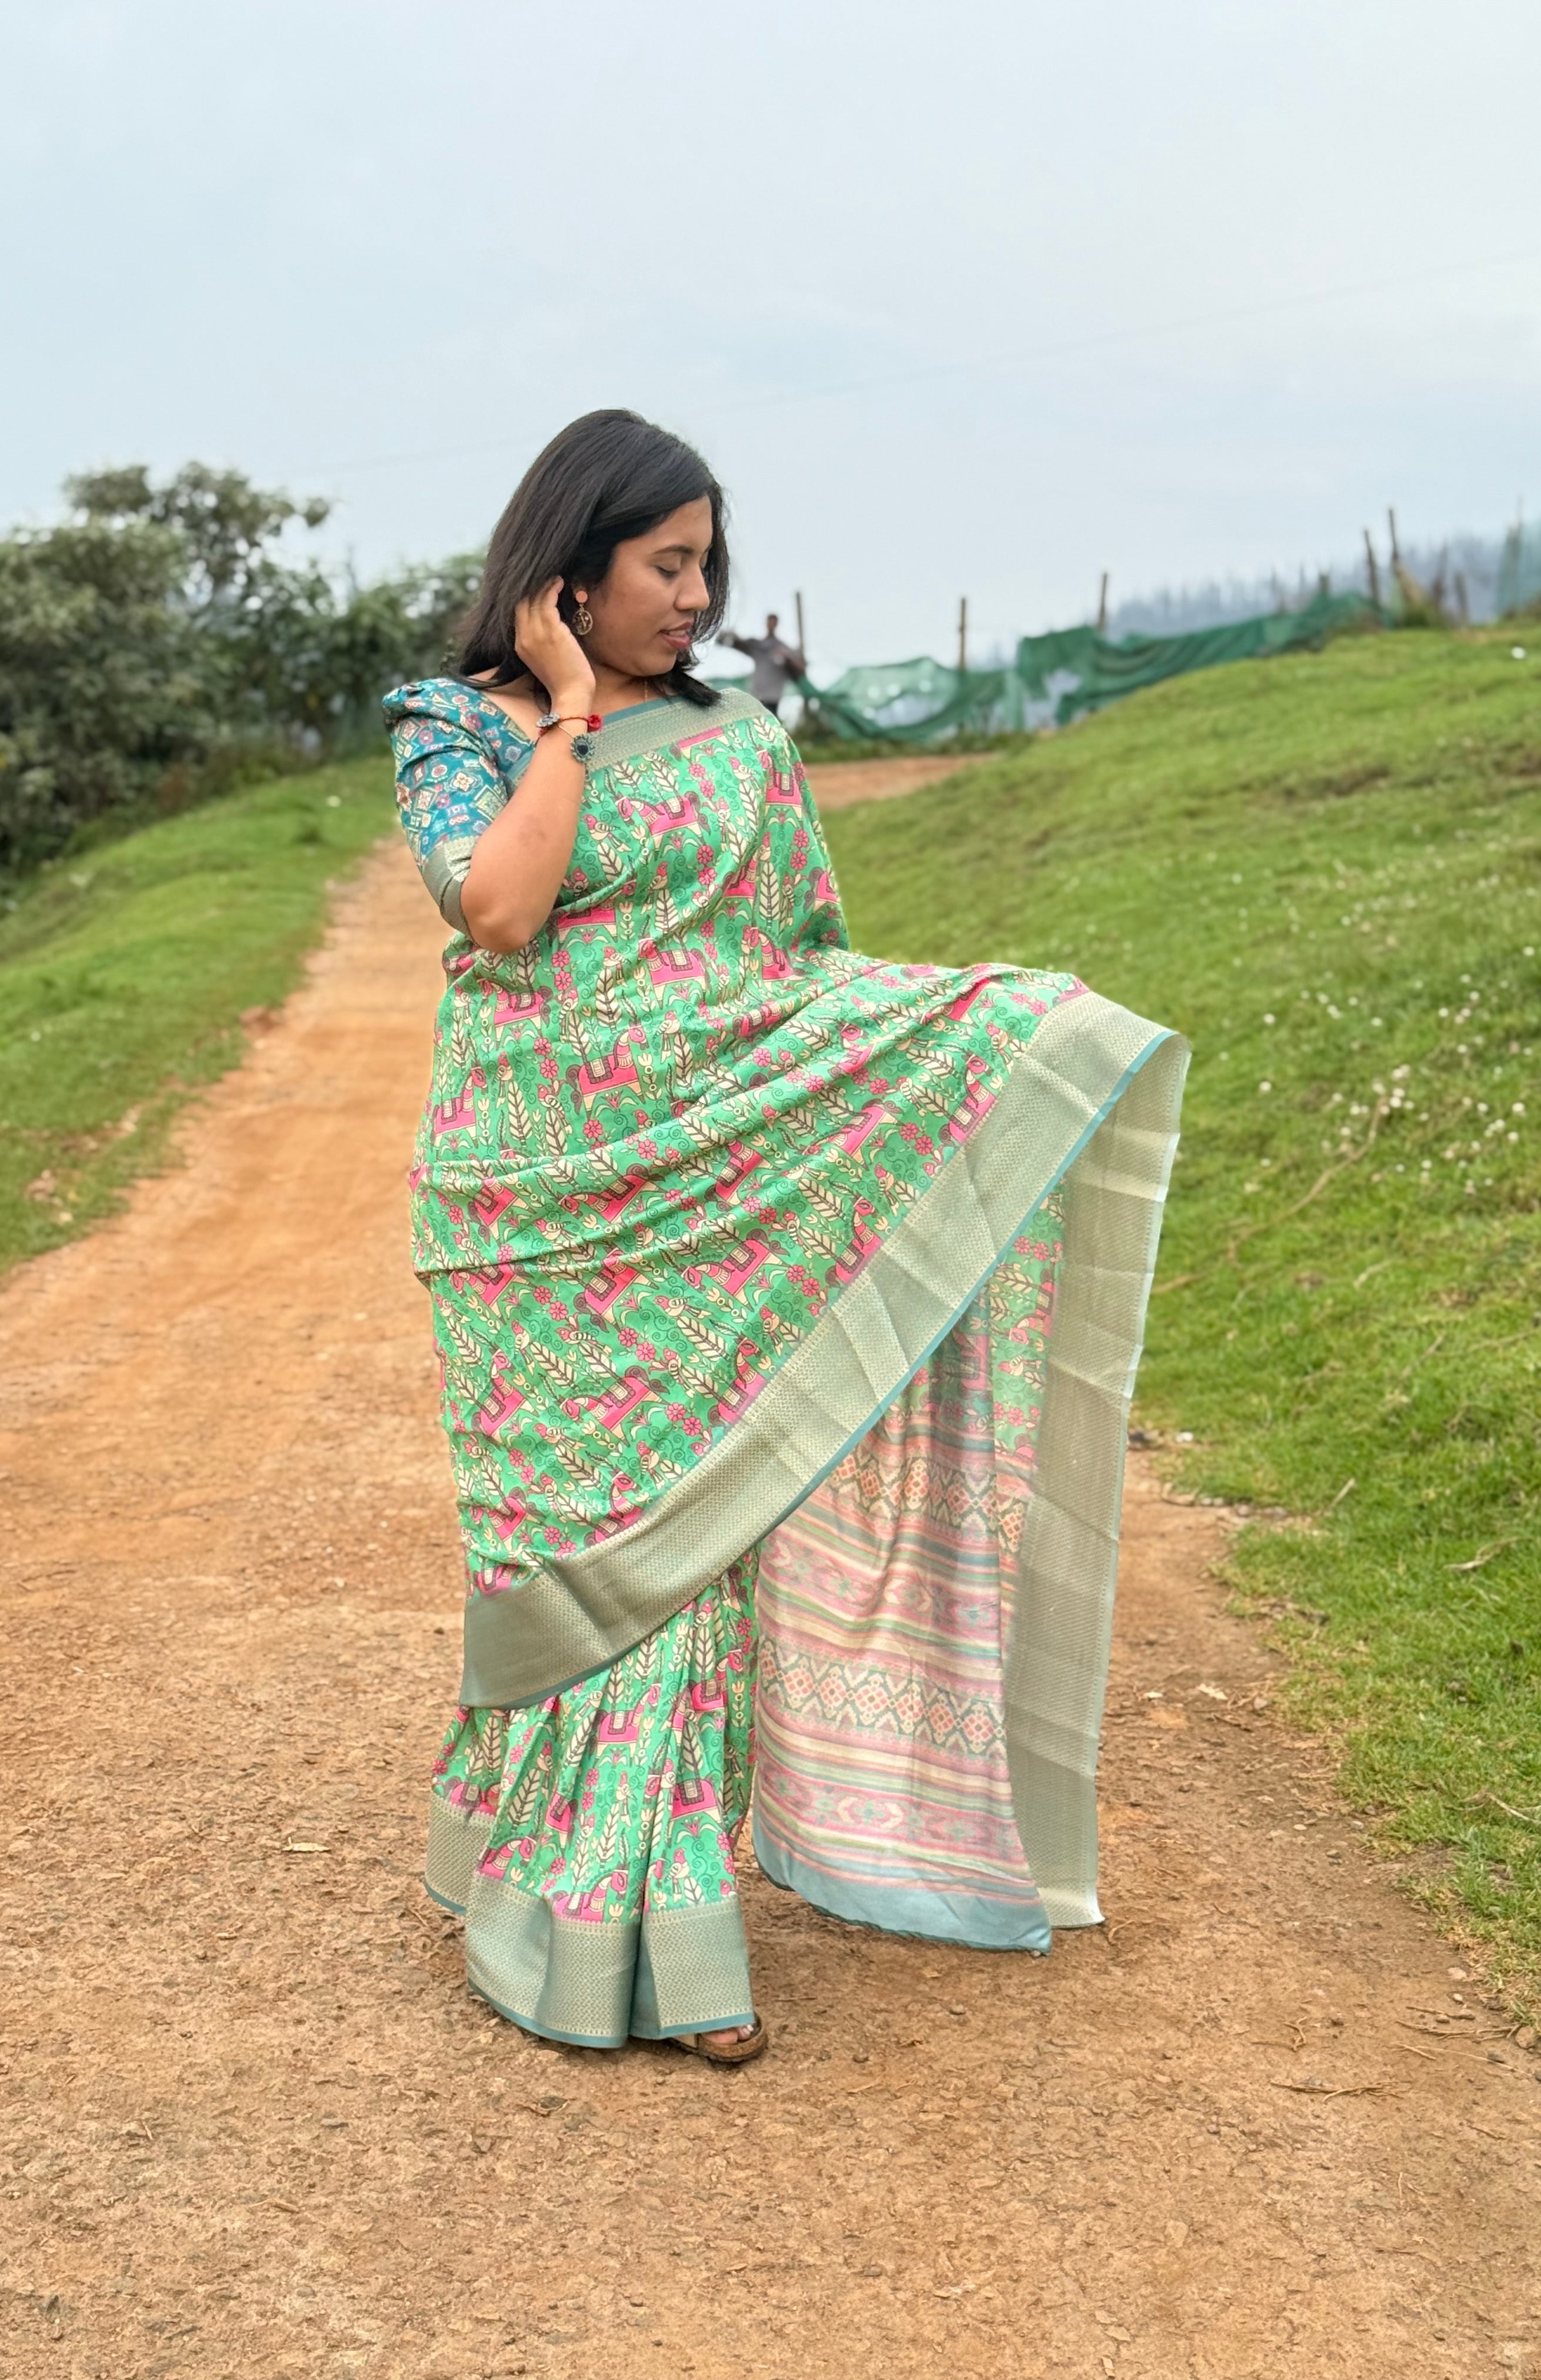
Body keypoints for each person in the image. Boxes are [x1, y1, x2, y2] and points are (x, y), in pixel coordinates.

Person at [384, 410, 1186, 2065]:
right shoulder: (455, 730)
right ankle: (549, 1878)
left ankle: (659, 1933)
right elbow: (501, 913)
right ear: (566, 570)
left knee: (691, 1537)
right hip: (531, 1210)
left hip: (708, 1182)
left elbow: (799, 954)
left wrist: (948, 1076)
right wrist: (574, 720)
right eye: (665, 564)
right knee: (570, 1546)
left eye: (706, 563)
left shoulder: (745, 742)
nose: (698, 595)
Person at [722, 610, 804, 715]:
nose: (771, 625)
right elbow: (741, 645)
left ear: (776, 624)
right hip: (757, 695)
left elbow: (800, 668)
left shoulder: (782, 649)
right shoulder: (759, 647)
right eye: (769, 622)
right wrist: (732, 637)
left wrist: (787, 659)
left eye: (773, 622)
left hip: (773, 697)